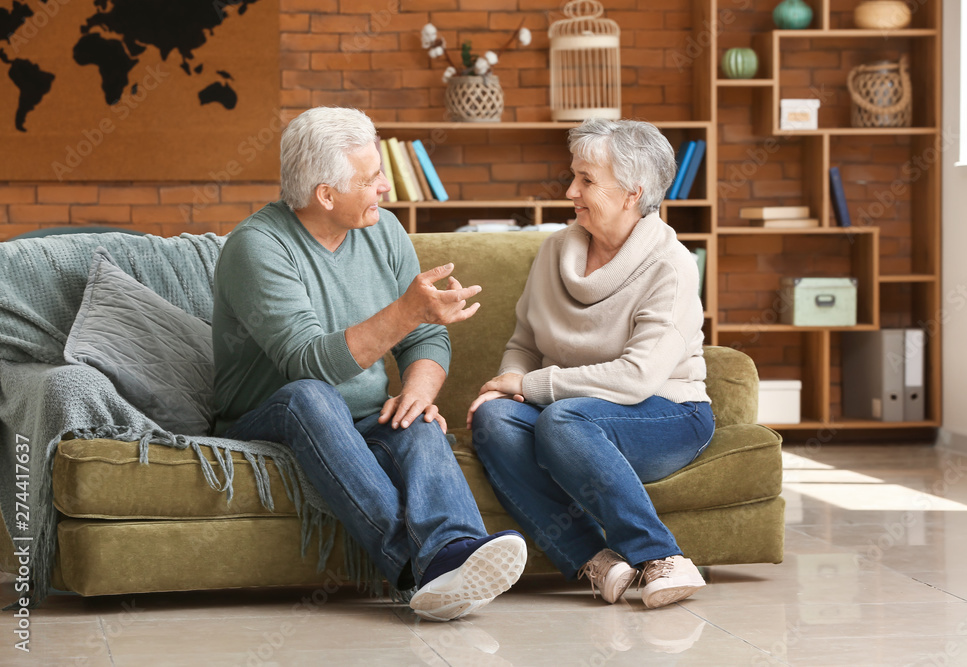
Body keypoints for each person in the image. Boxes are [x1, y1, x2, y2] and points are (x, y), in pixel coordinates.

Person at [212, 106, 527, 622]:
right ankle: (412, 568)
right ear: (325, 194)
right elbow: (307, 363)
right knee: (310, 396)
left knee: (416, 420)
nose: (385, 186)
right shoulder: (258, 247)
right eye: (371, 178)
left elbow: (425, 338)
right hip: (268, 417)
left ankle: (453, 555)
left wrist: (419, 392)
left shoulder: (383, 231)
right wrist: (407, 310)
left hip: (361, 416)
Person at [467, 118, 714, 609]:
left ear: (631, 193)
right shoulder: (554, 252)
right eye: (573, 176)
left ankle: (662, 556)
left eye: (586, 180)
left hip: (665, 412)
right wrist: (503, 387)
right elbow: (524, 344)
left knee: (563, 417)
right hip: (570, 414)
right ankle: (598, 562)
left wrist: (529, 385)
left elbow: (638, 377)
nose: (570, 192)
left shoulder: (671, 265)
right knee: (493, 419)